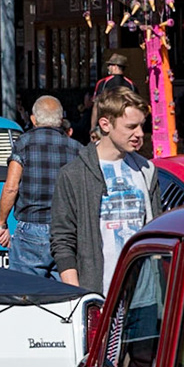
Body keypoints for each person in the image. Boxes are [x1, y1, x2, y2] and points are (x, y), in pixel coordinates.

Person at [49, 86, 159, 293]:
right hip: (99, 293)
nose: (139, 134)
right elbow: (62, 240)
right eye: (131, 127)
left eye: (141, 126)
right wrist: (77, 294)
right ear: (105, 124)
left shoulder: (147, 169)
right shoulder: (74, 174)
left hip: (145, 294)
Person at [0, 95, 81, 278]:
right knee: (65, 294)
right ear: (60, 120)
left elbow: (11, 187)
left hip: (31, 228)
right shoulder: (77, 149)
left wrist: (1, 224)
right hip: (66, 230)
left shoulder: (23, 144)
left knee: (28, 293)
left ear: (34, 119)